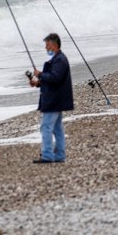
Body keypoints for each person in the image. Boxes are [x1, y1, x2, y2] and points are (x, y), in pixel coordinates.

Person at [29, 33, 73, 163]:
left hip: (54, 100)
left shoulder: (60, 60)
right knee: (57, 128)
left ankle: (47, 155)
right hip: (57, 99)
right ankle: (59, 155)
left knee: (46, 127)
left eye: (47, 45)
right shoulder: (58, 59)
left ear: (54, 45)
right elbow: (54, 79)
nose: (46, 48)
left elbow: (55, 78)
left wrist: (40, 74)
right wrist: (37, 83)